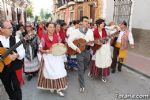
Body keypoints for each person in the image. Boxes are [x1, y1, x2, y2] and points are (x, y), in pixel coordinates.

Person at [37, 22, 68, 97]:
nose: (52, 28)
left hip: (57, 58)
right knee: (50, 73)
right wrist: (46, 51)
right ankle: (51, 86)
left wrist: (63, 49)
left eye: (53, 27)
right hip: (48, 58)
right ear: (46, 28)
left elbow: (61, 46)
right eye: (50, 27)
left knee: (59, 72)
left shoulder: (57, 37)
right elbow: (40, 49)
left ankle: (58, 89)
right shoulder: (44, 38)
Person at [67, 16, 94, 92]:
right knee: (81, 69)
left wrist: (93, 43)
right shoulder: (76, 31)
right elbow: (69, 41)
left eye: (88, 22)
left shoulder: (90, 31)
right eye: (85, 21)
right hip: (80, 52)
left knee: (85, 67)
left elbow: (92, 43)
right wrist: (76, 48)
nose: (87, 23)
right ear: (81, 22)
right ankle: (82, 85)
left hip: (88, 52)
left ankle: (80, 74)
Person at [0, 20, 25, 100]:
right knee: (8, 88)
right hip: (3, 69)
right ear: (2, 29)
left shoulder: (15, 39)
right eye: (9, 28)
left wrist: (17, 55)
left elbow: (22, 51)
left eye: (12, 27)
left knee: (17, 87)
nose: (12, 29)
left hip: (15, 67)